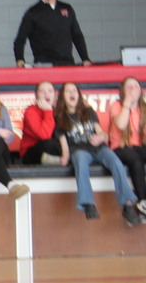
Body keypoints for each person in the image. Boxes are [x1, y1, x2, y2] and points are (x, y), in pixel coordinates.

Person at [54, 82, 140, 225]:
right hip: (79, 150)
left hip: (98, 148)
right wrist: (64, 157)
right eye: (68, 91)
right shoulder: (60, 119)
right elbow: (64, 145)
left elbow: (103, 134)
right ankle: (88, 204)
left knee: (116, 163)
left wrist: (101, 137)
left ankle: (128, 205)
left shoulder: (89, 111)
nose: (72, 93)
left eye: (74, 90)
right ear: (63, 96)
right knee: (81, 164)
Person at [108, 76, 146, 223]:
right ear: (122, 91)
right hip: (120, 146)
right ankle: (141, 200)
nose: (132, 89)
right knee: (135, 160)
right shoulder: (117, 105)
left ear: (141, 91)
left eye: (135, 86)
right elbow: (120, 124)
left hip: (139, 146)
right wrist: (127, 103)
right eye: (129, 87)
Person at [13, 0, 92, 67]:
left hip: (67, 64)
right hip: (43, 65)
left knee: (70, 83)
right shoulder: (32, 12)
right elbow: (19, 40)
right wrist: (20, 61)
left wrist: (85, 58)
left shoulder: (67, 8)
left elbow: (77, 36)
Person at [19, 81, 62, 165]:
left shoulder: (58, 110)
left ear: (55, 94)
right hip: (32, 153)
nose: (47, 94)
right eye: (42, 91)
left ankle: (59, 159)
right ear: (36, 96)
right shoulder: (31, 111)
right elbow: (45, 135)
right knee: (49, 143)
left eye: (50, 91)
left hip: (52, 150)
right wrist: (48, 111)